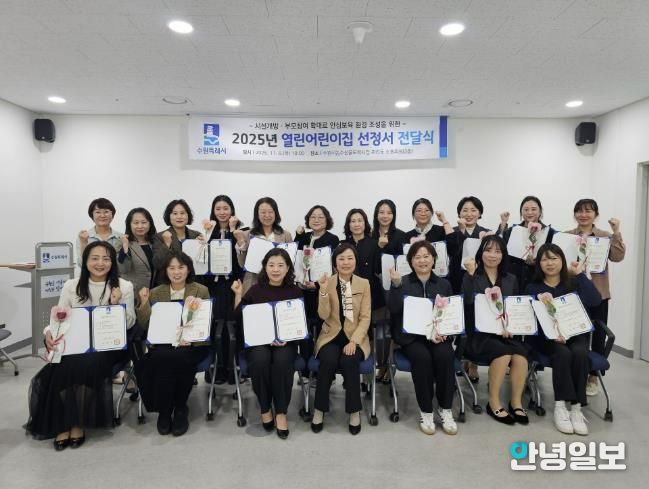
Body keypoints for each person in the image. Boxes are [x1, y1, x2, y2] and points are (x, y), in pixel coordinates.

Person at [26, 241, 135, 450]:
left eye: (106, 259)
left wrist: (116, 304)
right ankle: (67, 422)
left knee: (83, 362)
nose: (100, 263)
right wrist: (48, 333)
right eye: (95, 258)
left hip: (108, 347)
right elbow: (58, 317)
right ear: (85, 261)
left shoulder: (123, 286)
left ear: (112, 262)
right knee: (63, 364)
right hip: (76, 344)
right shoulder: (71, 286)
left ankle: (74, 423)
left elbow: (129, 323)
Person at [525, 243, 602, 435]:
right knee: (562, 353)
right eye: (545, 259)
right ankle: (560, 405)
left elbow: (595, 300)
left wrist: (580, 275)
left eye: (554, 258)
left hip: (575, 334)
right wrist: (552, 334)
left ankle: (576, 408)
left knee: (580, 352)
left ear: (562, 261)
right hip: (547, 339)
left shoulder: (573, 283)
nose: (550, 263)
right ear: (539, 263)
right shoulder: (532, 287)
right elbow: (530, 319)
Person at [136, 251, 210, 437]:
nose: (177, 272)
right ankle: (166, 409)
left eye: (181, 267)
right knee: (163, 357)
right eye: (172, 268)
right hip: (163, 344)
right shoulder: (156, 292)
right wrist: (144, 303)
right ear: (165, 271)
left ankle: (179, 408)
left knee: (178, 357)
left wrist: (191, 337)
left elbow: (206, 321)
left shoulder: (200, 290)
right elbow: (145, 325)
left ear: (189, 269)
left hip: (192, 344)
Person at [388, 240, 458, 435]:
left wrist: (444, 332)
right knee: (422, 357)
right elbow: (393, 309)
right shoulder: (402, 282)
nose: (422, 260)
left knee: (446, 355)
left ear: (434, 259)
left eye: (426, 256)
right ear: (411, 261)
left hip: (438, 336)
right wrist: (395, 286)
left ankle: (445, 409)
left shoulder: (444, 284)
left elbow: (450, 313)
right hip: (412, 337)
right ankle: (426, 410)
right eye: (417, 257)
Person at [232, 248, 303, 439]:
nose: (276, 269)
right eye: (271, 265)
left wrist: (288, 338)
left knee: (282, 361)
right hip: (259, 342)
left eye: (280, 265)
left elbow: (300, 323)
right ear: (265, 267)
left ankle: (281, 412)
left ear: (288, 268)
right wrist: (238, 294)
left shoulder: (295, 291)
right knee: (260, 360)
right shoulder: (255, 290)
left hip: (285, 342)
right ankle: (265, 407)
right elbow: (238, 317)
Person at [462, 236, 530, 425]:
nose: (492, 255)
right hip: (479, 335)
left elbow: (514, 308)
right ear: (480, 253)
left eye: (497, 251)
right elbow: (467, 302)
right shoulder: (471, 275)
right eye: (488, 250)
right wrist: (470, 276)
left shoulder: (511, 279)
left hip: (505, 333)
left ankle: (516, 402)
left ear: (503, 255)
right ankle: (494, 402)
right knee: (503, 353)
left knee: (521, 355)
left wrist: (511, 327)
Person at [565, 198, 625, 396]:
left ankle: (593, 376)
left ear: (595, 215)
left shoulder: (605, 236)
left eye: (588, 211)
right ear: (575, 214)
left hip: (598, 293)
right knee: (575, 334)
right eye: (579, 211)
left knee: (598, 335)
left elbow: (618, 257)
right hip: (574, 293)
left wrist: (616, 232)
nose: (583, 215)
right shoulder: (567, 235)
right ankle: (575, 372)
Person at [311, 243, 371, 435]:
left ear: (355, 261)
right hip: (331, 335)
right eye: (341, 259)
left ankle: (354, 411)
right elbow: (323, 315)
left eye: (350, 258)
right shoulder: (327, 282)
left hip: (355, 336)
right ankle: (319, 409)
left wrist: (354, 341)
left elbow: (365, 318)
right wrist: (322, 291)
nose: (346, 262)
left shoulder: (364, 283)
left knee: (349, 361)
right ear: (335, 262)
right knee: (327, 361)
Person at [202, 195, 244, 384]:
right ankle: (216, 369)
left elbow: (242, 258)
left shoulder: (240, 229)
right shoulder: (207, 231)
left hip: (233, 285)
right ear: (213, 211)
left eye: (226, 208)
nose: (222, 212)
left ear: (232, 210)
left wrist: (234, 231)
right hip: (213, 286)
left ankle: (233, 370)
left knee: (233, 326)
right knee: (215, 326)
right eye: (218, 208)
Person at [294, 205, 340, 377]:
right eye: (313, 217)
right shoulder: (303, 237)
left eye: (321, 217)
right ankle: (306, 373)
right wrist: (298, 236)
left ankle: (325, 373)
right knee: (304, 333)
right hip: (303, 293)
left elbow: (334, 268)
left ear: (327, 220)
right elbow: (294, 260)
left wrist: (318, 285)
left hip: (323, 292)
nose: (316, 220)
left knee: (323, 331)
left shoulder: (332, 239)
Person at [371, 199, 406, 383]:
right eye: (381, 212)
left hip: (394, 288)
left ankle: (389, 366)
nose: (385, 216)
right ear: (376, 214)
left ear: (394, 215)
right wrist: (379, 247)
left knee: (392, 327)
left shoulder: (400, 235)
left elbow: (405, 263)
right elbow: (369, 263)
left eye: (389, 212)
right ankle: (380, 363)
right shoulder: (369, 235)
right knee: (378, 329)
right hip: (375, 288)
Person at [234, 197, 292, 295]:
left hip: (280, 285)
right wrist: (241, 242)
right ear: (257, 214)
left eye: (270, 212)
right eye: (263, 212)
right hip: (253, 283)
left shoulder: (286, 235)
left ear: (276, 213)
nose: (267, 215)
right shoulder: (246, 235)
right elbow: (242, 264)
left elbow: (289, 264)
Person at [499, 196, 556, 291]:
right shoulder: (513, 231)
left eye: (533, 209)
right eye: (526, 209)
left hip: (539, 280)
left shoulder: (549, 233)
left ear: (540, 211)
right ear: (521, 212)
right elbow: (500, 250)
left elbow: (554, 258)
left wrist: (537, 262)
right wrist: (503, 224)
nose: (529, 212)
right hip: (514, 279)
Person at [342, 208, 384, 313]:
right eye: (353, 221)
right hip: (348, 294)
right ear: (348, 225)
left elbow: (378, 270)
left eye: (360, 221)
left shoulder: (375, 244)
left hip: (371, 294)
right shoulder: (343, 245)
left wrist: (380, 248)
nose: (357, 224)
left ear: (365, 223)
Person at [116, 207, 164, 299]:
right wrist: (125, 247)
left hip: (155, 293)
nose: (140, 226)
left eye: (144, 222)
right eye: (136, 223)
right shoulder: (122, 241)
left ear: (150, 224)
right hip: (133, 295)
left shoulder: (155, 242)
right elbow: (123, 269)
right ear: (129, 224)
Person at [154, 199, 202, 284]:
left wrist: (205, 247)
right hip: (168, 284)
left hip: (193, 283)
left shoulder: (196, 235)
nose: (179, 217)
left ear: (188, 215)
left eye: (182, 213)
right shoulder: (160, 237)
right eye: (175, 213)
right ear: (169, 216)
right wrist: (166, 244)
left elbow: (203, 264)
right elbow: (157, 263)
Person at [76, 197, 122, 274]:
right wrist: (83, 243)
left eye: (106, 212)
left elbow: (123, 266)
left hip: (115, 278)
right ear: (92, 215)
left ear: (112, 215)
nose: (102, 215)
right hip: (91, 278)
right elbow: (82, 264)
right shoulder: (84, 237)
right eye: (98, 212)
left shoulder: (120, 237)